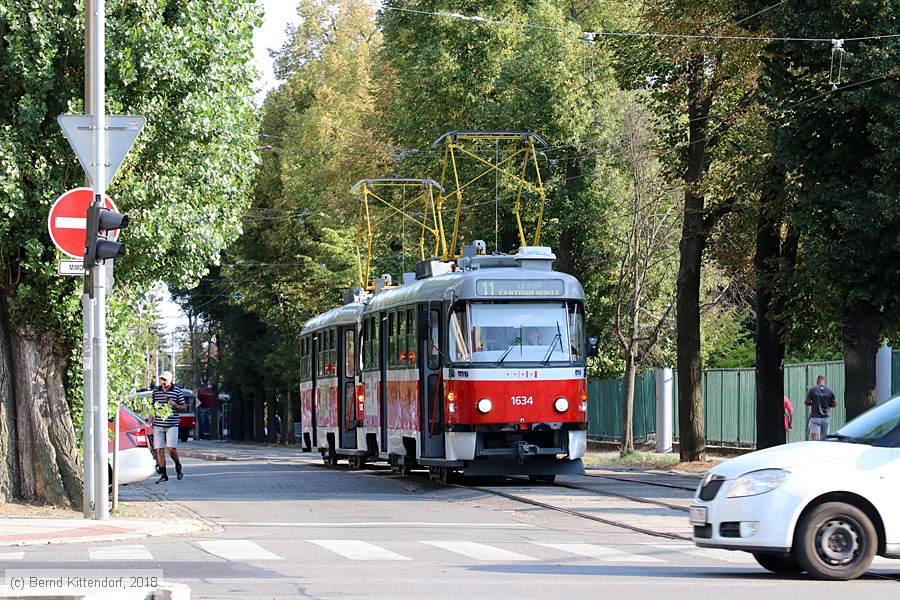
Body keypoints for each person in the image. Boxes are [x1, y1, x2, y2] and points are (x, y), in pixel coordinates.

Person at [152, 371, 187, 482]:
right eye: (162, 379)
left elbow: (184, 407)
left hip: (172, 424)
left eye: (165, 379)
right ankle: (164, 475)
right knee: (159, 450)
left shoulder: (177, 391)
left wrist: (173, 404)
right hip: (158, 424)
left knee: (171, 448)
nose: (163, 381)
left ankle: (177, 464)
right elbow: (153, 407)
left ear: (170, 380)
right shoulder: (156, 392)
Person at [805, 375, 837, 440]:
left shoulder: (812, 390)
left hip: (815, 418)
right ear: (824, 382)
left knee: (815, 440)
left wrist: (813, 403)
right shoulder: (830, 391)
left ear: (817, 381)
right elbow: (834, 404)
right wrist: (828, 404)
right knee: (825, 440)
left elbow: (807, 402)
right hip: (826, 418)